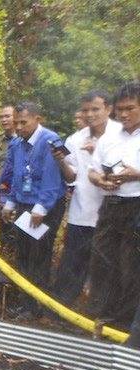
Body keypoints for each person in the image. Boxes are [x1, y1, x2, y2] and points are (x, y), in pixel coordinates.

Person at [50, 89, 120, 307]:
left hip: (112, 214)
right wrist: (61, 161)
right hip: (81, 213)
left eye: (95, 109)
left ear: (109, 109)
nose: (90, 114)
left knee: (107, 267)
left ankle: (100, 314)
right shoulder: (75, 139)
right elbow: (72, 176)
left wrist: (97, 153)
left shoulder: (122, 135)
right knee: (72, 265)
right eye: (85, 110)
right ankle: (59, 311)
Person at [0, 102, 68, 320]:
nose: (18, 127)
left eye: (23, 122)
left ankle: (38, 306)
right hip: (23, 205)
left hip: (44, 207)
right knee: (24, 255)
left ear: (37, 120)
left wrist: (41, 208)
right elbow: (16, 175)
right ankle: (26, 303)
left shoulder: (50, 141)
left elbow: (52, 179)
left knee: (39, 256)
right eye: (16, 122)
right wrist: (10, 202)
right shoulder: (18, 143)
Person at [86, 81, 140, 326]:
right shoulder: (109, 137)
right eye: (120, 109)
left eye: (130, 108)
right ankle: (100, 314)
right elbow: (92, 171)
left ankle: (125, 322)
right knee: (102, 260)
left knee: (131, 265)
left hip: (136, 206)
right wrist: (102, 181)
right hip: (110, 205)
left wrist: (135, 175)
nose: (124, 114)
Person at [0, 104, 17, 250]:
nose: (4, 120)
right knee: (4, 229)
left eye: (8, 116)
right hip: (2, 192)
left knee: (17, 230)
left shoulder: (22, 139)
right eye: (1, 117)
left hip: (18, 192)